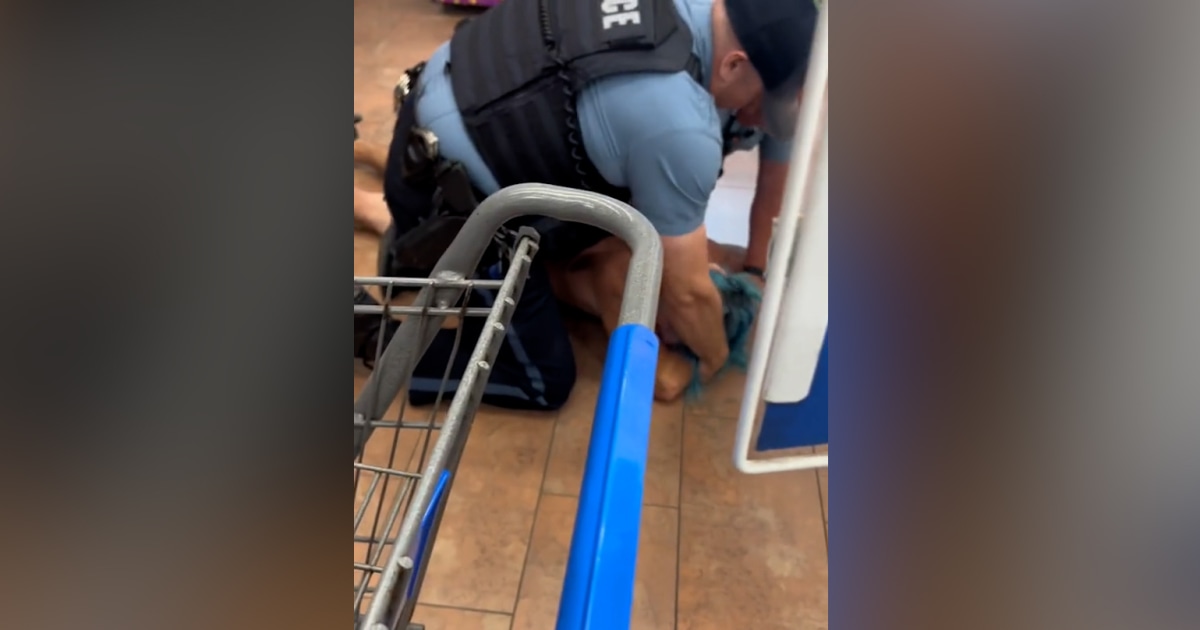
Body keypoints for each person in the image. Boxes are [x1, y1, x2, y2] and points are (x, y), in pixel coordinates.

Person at [353, 0, 819, 409]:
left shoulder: (693, 16)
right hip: (452, 193)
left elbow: (773, 166)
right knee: (542, 381)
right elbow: (688, 293)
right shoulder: (679, 125)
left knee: (647, 230)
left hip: (446, 104)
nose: (757, 117)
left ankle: (409, 241)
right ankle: (369, 328)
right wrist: (715, 359)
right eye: (759, 102)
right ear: (734, 66)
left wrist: (755, 272)